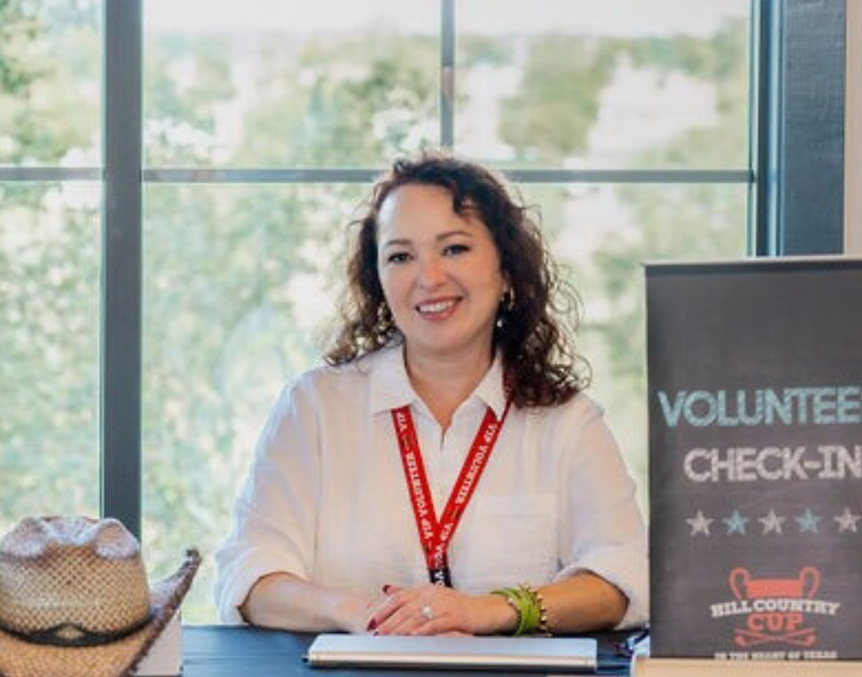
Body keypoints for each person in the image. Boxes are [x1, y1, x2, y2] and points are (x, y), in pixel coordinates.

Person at [216, 152, 646, 636]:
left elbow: (622, 577)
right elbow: (249, 577)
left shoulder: (568, 421)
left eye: (455, 249)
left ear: (506, 270)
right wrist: (358, 614)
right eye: (401, 256)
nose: (429, 278)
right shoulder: (314, 407)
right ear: (378, 281)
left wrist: (490, 610)